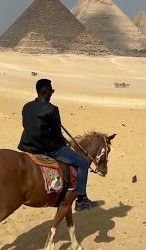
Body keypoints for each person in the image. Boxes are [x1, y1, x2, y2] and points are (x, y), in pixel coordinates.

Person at [17, 78, 98, 211]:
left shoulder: (26, 106)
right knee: (83, 163)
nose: (52, 93)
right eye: (51, 91)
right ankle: (81, 199)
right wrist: (65, 143)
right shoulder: (52, 109)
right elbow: (56, 133)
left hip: (26, 145)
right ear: (47, 92)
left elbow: (25, 125)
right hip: (47, 149)